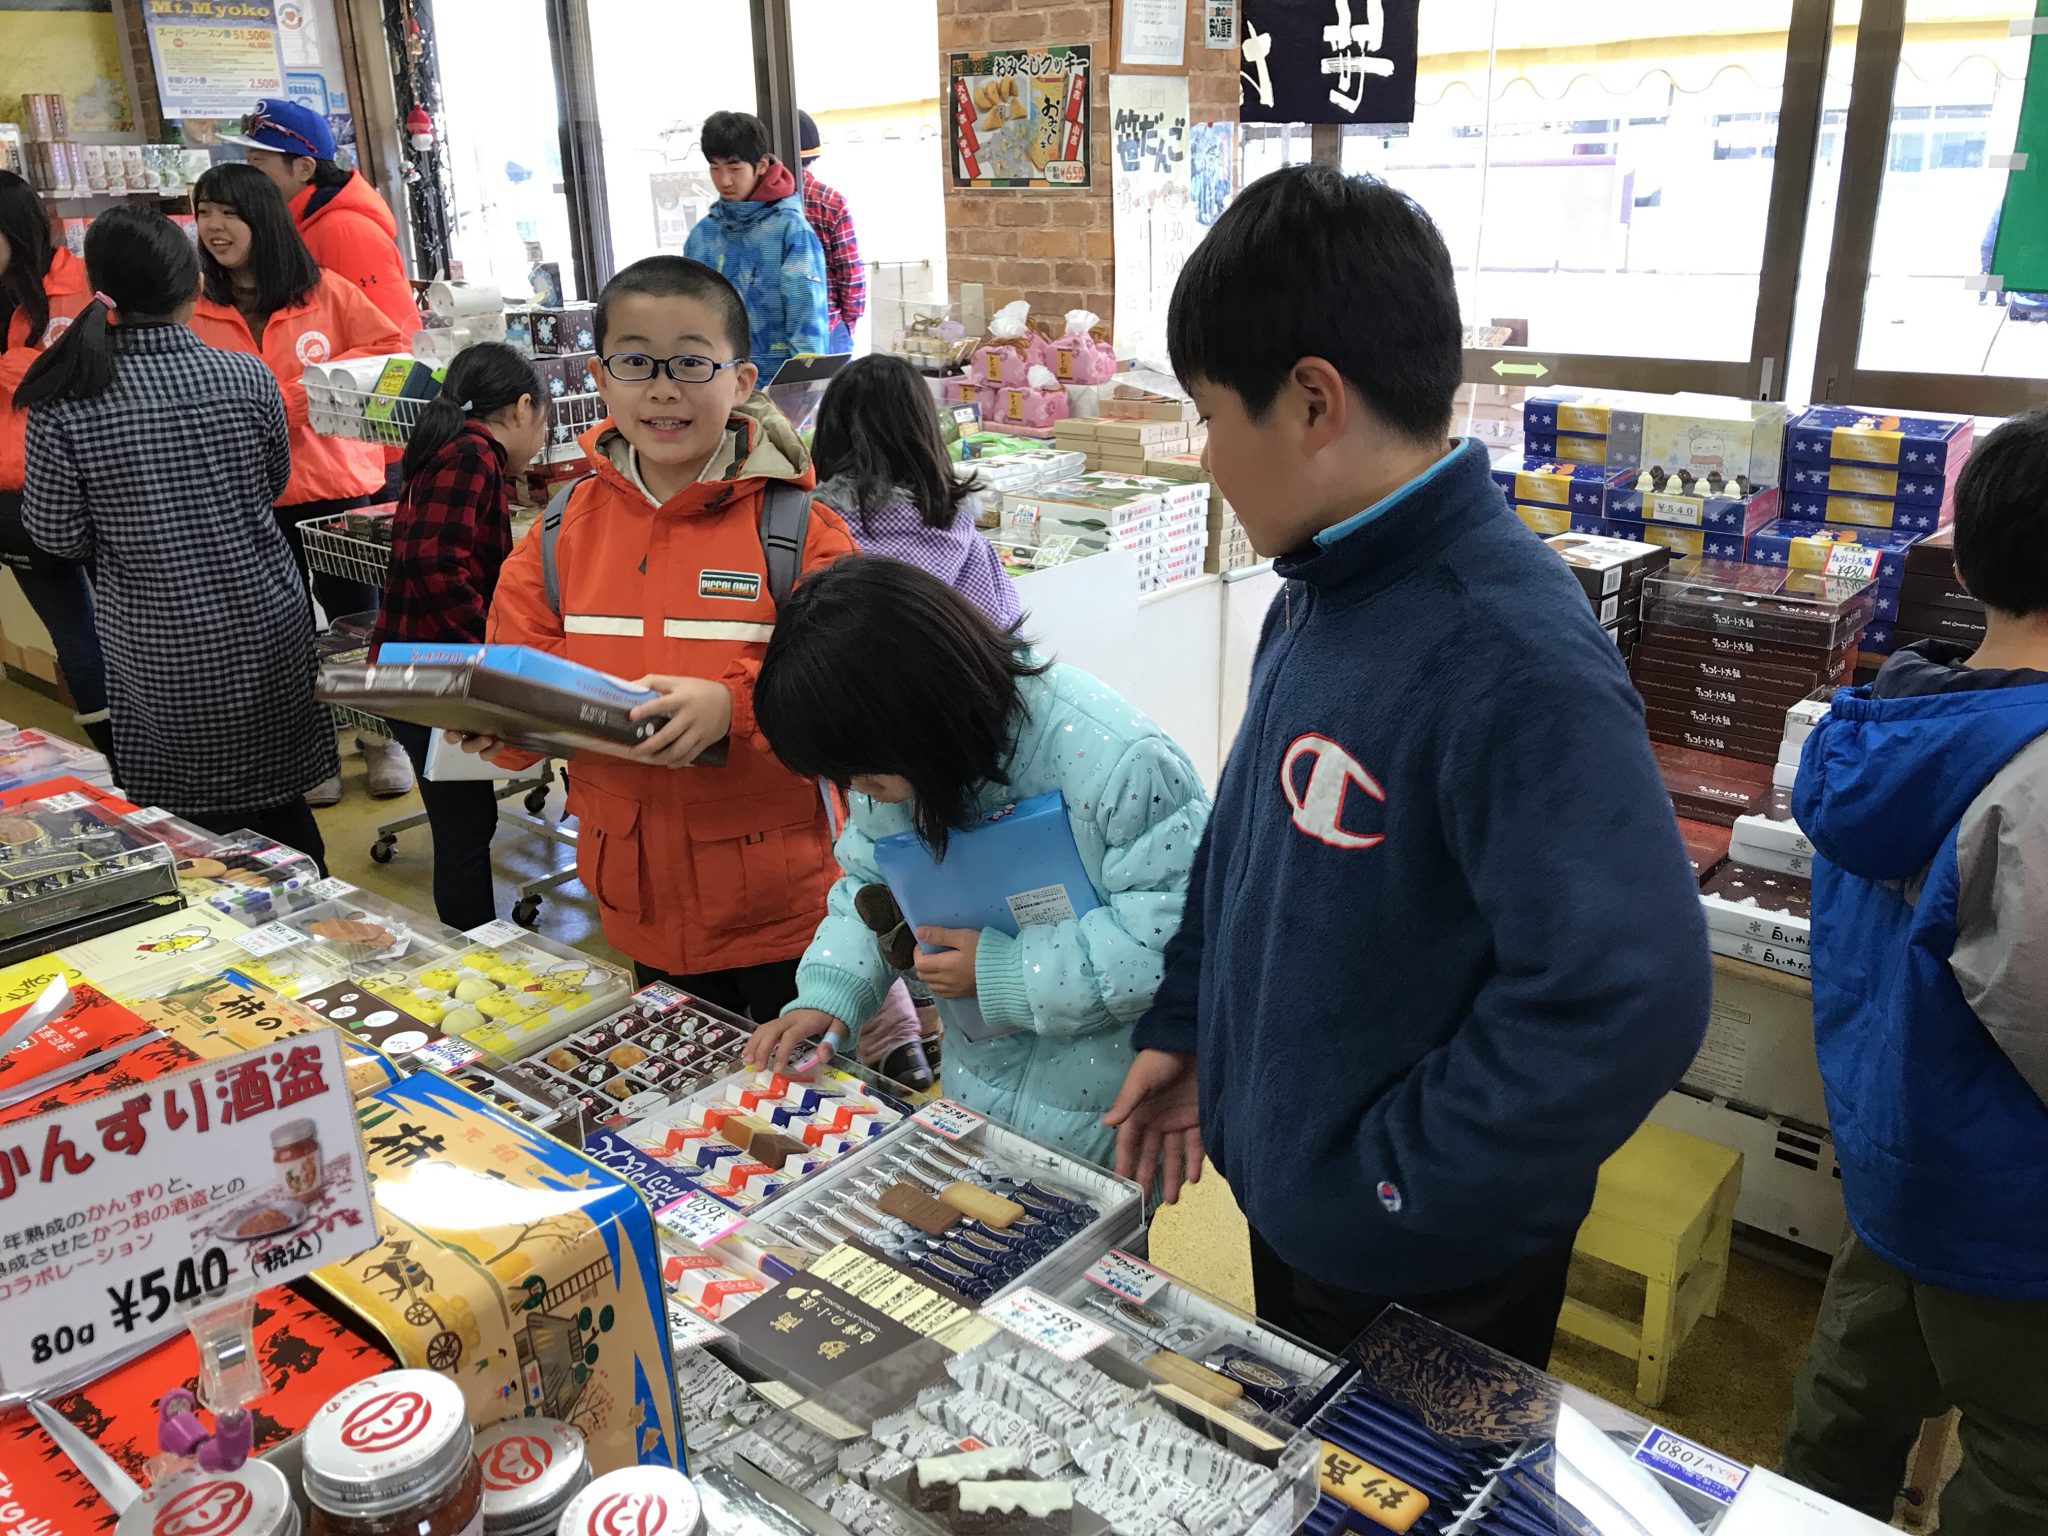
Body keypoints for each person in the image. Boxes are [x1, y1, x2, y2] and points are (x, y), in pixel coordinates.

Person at [1102, 164, 1711, 1366]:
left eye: (1211, 417)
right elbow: (1245, 846)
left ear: (1311, 401)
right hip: (1301, 1208)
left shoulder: (1507, 651)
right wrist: (1194, 1030)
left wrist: (1391, 1186)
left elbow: (1629, 993)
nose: (1206, 458)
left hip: (1424, 1259)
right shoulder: (1318, 590)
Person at [1779, 411, 2048, 1536]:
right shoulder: (2032, 772)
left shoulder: (1884, 730)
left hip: (1896, 1162)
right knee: (2024, 1465)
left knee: (1848, 1404)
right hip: (2014, 1210)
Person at [474, 255, 857, 1018]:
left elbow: (850, 690)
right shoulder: (557, 534)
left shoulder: (800, 531)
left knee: (800, 1084)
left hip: (787, 902)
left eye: (690, 362)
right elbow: (521, 669)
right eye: (634, 362)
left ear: (741, 381)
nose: (661, 388)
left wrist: (731, 706)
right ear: (599, 377)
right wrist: (503, 725)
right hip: (635, 892)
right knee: (681, 1082)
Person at [741, 558, 1209, 1169]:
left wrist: (1002, 974)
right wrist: (829, 995)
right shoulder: (891, 765)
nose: (856, 790)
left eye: (862, 774)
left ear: (919, 720)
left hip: (1108, 1094)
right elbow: (869, 887)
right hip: (978, 1080)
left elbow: (1170, 943)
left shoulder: (1119, 759)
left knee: (1092, 1225)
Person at [16, 206, 334, 866]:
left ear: (99, 288)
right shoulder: (247, 377)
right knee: (281, 799)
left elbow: (56, 535)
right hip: (267, 619)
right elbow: (272, 482)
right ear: (194, 285)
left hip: (159, 637)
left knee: (195, 826)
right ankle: (328, 911)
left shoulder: (64, 398)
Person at [805, 353, 1022, 1087]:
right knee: (944, 876)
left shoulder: (817, 528)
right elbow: (1005, 635)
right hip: (946, 749)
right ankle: (935, 1014)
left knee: (864, 880)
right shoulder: (956, 528)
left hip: (857, 752)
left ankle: (887, 1021)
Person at [188, 162, 413, 802]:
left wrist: (296, 395)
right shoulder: (194, 305)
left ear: (262, 217)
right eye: (204, 213)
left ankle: (383, 739)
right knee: (278, 633)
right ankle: (311, 753)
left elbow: (391, 355)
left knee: (359, 622)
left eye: (229, 212)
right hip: (246, 496)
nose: (214, 226)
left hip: (335, 484)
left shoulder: (326, 291)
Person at [371, 342, 547, 931]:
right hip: (431, 672)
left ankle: (472, 943)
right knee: (465, 828)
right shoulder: (473, 453)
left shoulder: (452, 447)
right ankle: (473, 951)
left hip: (410, 666)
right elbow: (434, 563)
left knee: (464, 823)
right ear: (523, 407)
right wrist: (485, 653)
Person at [0, 171, 108, 761]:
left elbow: (109, 372)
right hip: (13, 498)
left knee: (143, 628)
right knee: (75, 640)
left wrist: (25, 369)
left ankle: (169, 754)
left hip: (100, 484)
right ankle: (123, 765)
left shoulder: (88, 284)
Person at [811, 354, 1017, 627]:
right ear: (925, 429)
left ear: (829, 429)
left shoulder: (806, 531)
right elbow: (1004, 628)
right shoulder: (962, 534)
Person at [224, 98, 418, 337]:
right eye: (247, 161)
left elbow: (395, 336)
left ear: (304, 169)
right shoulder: (294, 222)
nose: (248, 175)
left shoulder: (345, 231)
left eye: (257, 162)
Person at [683, 111, 828, 382]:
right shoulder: (703, 235)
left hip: (772, 386)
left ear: (761, 165)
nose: (724, 180)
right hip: (710, 384)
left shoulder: (790, 231)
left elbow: (808, 323)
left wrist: (798, 393)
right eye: (715, 168)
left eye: (734, 168)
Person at [797, 111, 864, 354]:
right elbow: (851, 273)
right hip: (828, 324)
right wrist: (847, 323)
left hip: (776, 332)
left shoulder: (759, 203)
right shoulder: (831, 201)